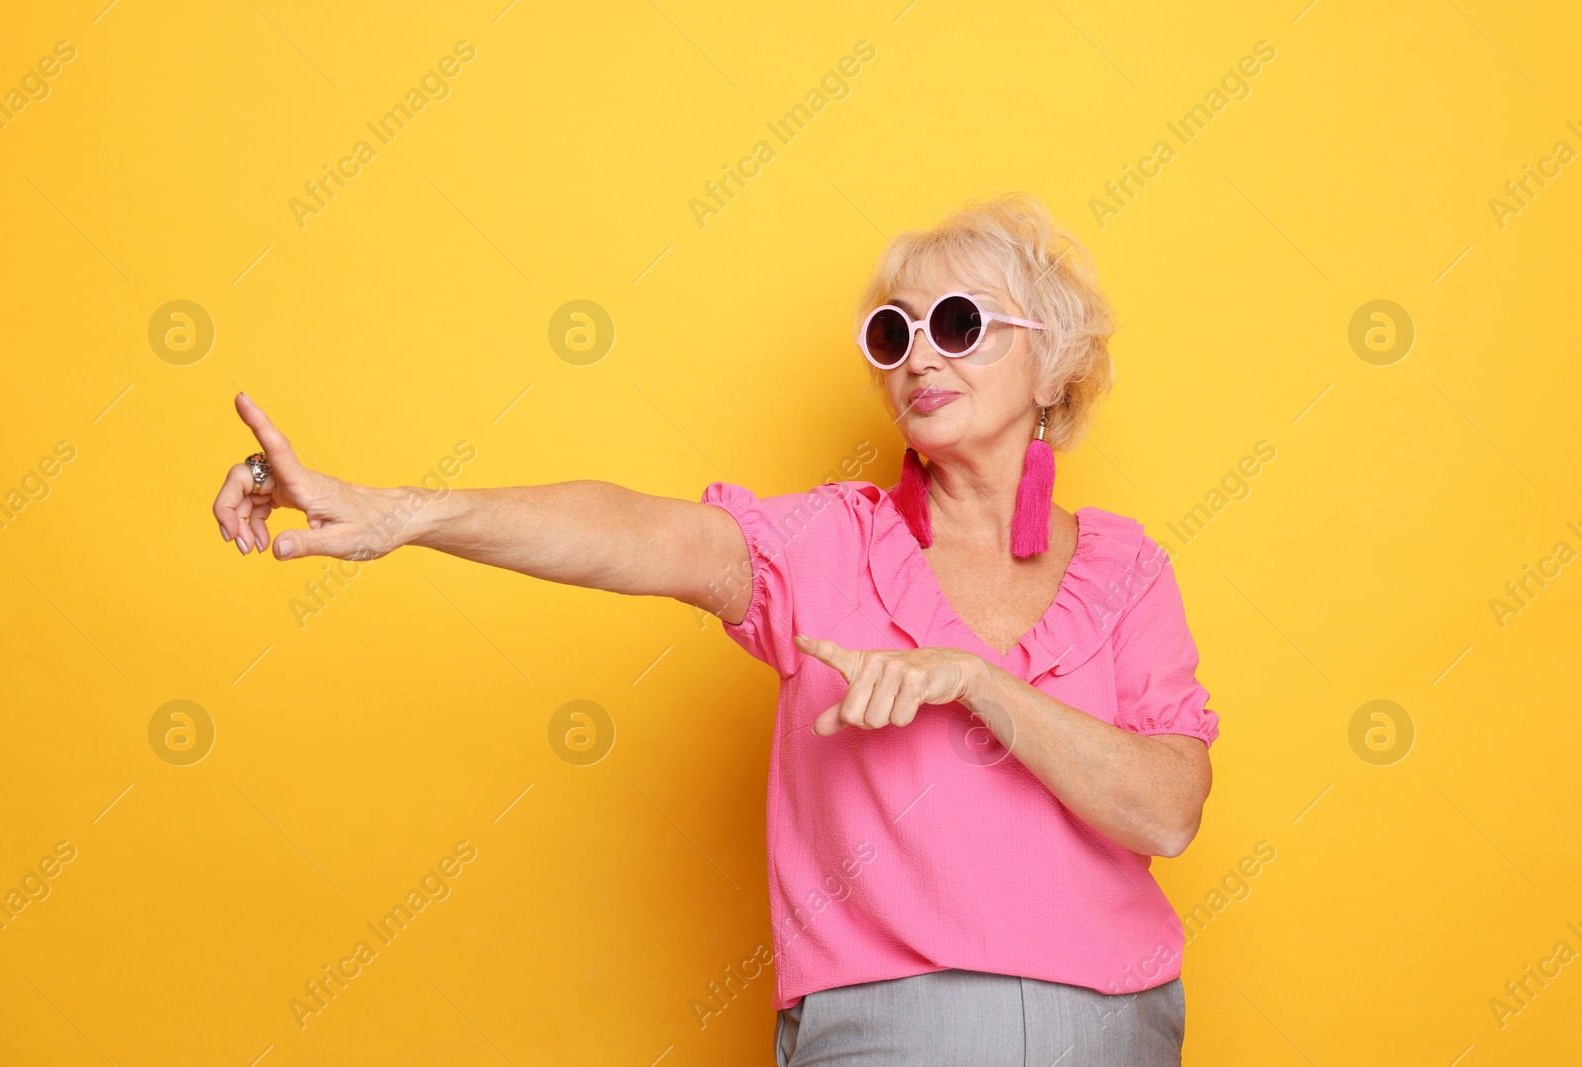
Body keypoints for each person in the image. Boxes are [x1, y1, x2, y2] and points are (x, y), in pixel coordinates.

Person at [211, 192, 1217, 1066]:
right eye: (891, 332)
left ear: (1051, 364)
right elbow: (633, 528)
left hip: (1120, 1026)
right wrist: (409, 513)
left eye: (957, 323)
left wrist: (978, 681)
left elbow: (1166, 810)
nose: (918, 355)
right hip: (896, 1029)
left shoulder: (1125, 568)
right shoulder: (825, 545)